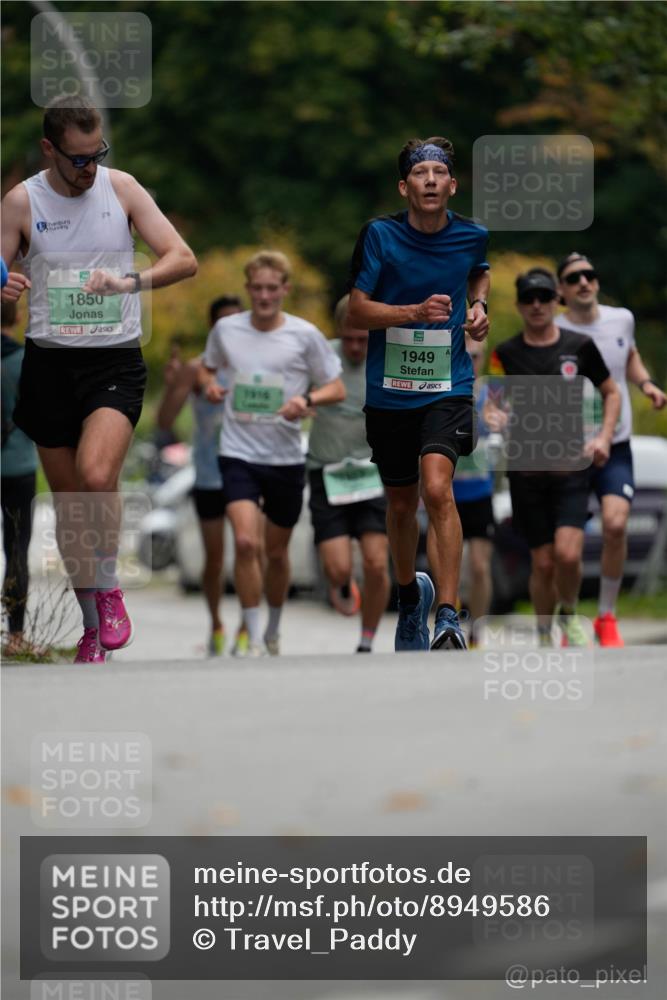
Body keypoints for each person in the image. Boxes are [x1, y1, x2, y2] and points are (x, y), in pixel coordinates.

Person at [0, 95, 197, 663]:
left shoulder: (123, 189)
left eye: (96, 155)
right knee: (69, 504)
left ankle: (109, 590)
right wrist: (5, 291)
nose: (88, 168)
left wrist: (130, 282)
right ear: (49, 150)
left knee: (96, 473)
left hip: (113, 360)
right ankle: (91, 628)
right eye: (77, 159)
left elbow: (182, 258)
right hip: (48, 364)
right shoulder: (20, 203)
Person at [347, 136, 490, 652]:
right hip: (389, 392)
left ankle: (448, 615)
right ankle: (411, 598)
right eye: (420, 173)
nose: (430, 180)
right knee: (402, 504)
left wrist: (477, 308)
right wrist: (411, 313)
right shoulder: (380, 236)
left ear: (452, 185)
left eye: (439, 173)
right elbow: (355, 312)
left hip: (448, 385)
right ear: (404, 186)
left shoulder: (473, 235)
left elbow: (478, 271)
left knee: (437, 489)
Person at [200, 250, 345, 656]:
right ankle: (248, 630)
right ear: (248, 289)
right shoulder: (227, 330)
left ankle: (273, 628)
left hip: (284, 457)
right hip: (237, 452)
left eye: (271, 288)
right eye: (257, 288)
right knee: (246, 542)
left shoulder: (305, 335)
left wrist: (307, 399)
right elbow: (206, 367)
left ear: (285, 289)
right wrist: (210, 385)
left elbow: (337, 388)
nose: (264, 296)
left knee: (276, 551)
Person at [489, 268, 621, 646]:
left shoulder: (578, 346)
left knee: (566, 554)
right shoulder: (506, 354)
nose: (536, 305)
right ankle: (545, 631)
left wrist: (603, 438)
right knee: (543, 562)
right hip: (527, 471)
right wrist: (495, 416)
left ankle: (569, 611)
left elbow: (611, 392)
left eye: (544, 298)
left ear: (555, 302)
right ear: (518, 305)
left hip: (570, 469)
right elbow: (493, 404)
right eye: (529, 299)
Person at [555, 253, 667, 646]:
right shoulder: (552, 328)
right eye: (574, 278)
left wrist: (646, 384)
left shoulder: (622, 319)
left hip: (615, 444)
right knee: (566, 549)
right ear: (561, 291)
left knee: (616, 525)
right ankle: (567, 617)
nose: (584, 282)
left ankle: (606, 616)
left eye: (589, 275)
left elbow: (630, 356)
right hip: (568, 451)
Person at [157, 295, 251, 657]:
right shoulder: (197, 368)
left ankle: (247, 628)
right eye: (222, 323)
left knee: (249, 550)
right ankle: (215, 624)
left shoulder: (259, 364)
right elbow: (165, 421)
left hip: (251, 470)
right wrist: (174, 384)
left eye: (236, 321)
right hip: (211, 476)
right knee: (215, 559)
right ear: (213, 328)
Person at [306, 294, 390, 653]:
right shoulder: (321, 356)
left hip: (371, 474)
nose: (356, 347)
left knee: (375, 561)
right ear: (339, 331)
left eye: (364, 339)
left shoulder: (387, 360)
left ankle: (368, 638)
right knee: (339, 568)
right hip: (326, 471)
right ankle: (341, 584)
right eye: (350, 338)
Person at [452, 335, 500, 645]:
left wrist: (499, 423)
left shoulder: (492, 395)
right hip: (450, 496)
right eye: (466, 356)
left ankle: (477, 629)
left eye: (477, 356)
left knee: (480, 567)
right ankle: (451, 622)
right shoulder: (447, 392)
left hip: (480, 493)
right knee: (449, 568)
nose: (472, 362)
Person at [1, 299, 38, 656]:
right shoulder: (26, 361)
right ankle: (15, 636)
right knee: (16, 551)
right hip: (19, 465)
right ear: (16, 316)